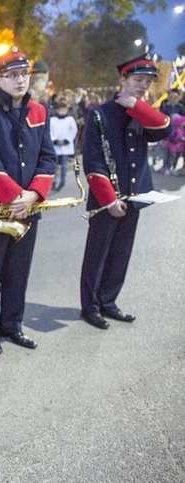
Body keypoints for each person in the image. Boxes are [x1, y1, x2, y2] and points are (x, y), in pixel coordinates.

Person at [0, 46, 55, 355]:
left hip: (28, 206)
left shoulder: (40, 112)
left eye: (24, 74)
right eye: (13, 75)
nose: (21, 80)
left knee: (19, 271)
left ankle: (12, 325)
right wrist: (15, 196)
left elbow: (48, 158)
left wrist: (32, 195)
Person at [80, 53, 172, 330]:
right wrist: (109, 200)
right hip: (107, 197)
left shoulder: (143, 113)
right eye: (138, 80)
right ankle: (90, 307)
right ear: (123, 79)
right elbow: (93, 162)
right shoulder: (100, 113)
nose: (143, 86)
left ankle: (109, 301)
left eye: (147, 81)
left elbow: (163, 129)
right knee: (97, 254)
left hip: (135, 195)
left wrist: (137, 106)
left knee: (121, 252)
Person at [49, 98, 78, 191]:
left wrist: (66, 140)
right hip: (56, 146)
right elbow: (49, 131)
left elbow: (73, 130)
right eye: (60, 109)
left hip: (65, 146)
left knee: (64, 165)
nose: (62, 111)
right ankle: (53, 181)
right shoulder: (52, 120)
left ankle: (62, 181)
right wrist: (54, 140)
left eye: (64, 109)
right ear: (57, 110)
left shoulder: (70, 119)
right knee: (55, 165)